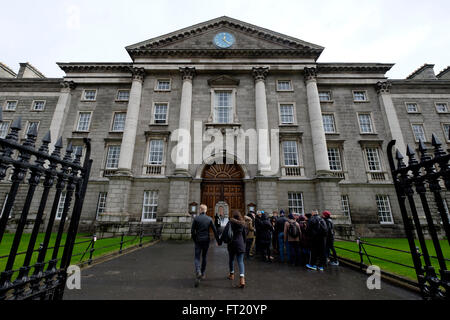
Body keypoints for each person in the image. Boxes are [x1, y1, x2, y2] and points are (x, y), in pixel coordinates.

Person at [191, 204, 221, 287]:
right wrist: (218, 241)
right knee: (204, 257)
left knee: (197, 257)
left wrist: (195, 239)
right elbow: (215, 231)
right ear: (206, 210)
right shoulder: (209, 219)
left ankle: (198, 271)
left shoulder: (196, 218)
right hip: (206, 240)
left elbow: (192, 231)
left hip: (198, 240)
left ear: (200, 210)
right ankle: (203, 273)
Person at [223, 210, 247, 288]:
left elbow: (225, 232)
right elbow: (244, 235)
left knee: (231, 259)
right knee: (240, 262)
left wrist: (220, 241)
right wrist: (244, 243)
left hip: (232, 244)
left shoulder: (230, 222)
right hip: (240, 244)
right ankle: (242, 279)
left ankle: (232, 274)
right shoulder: (242, 223)